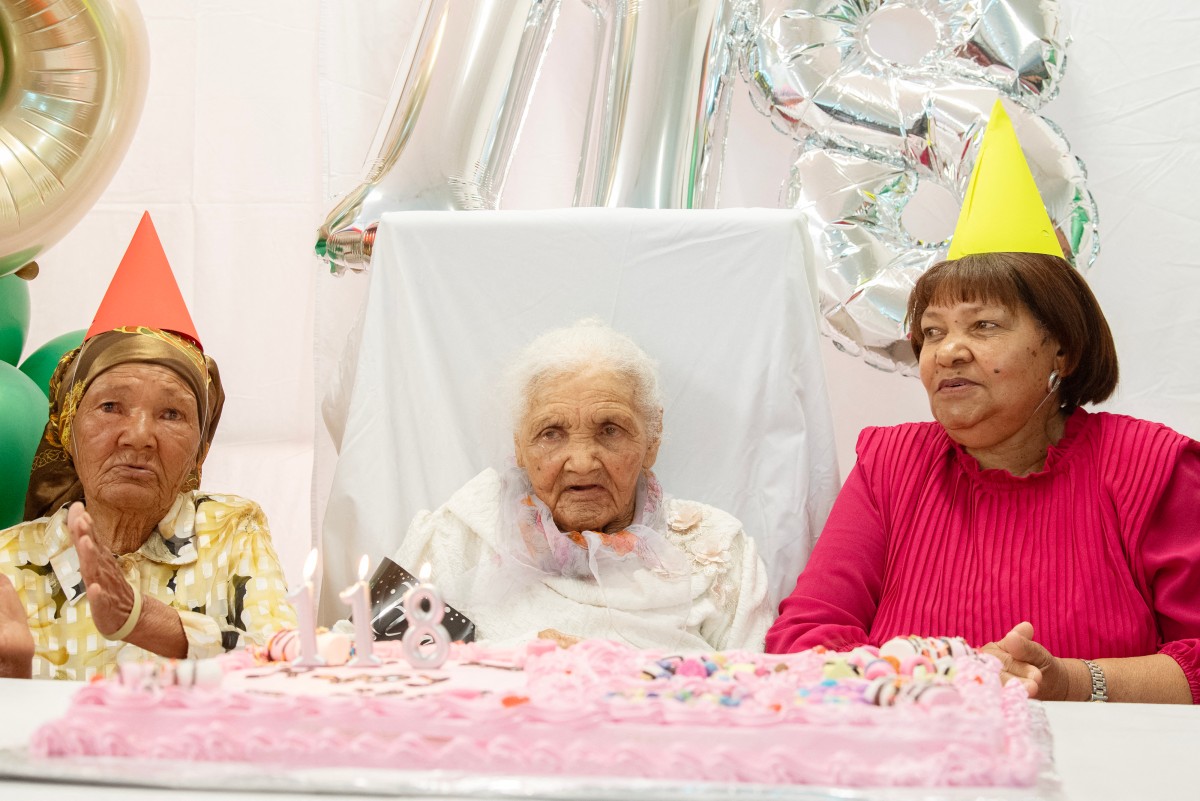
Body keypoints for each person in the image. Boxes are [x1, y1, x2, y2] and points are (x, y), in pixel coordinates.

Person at [766, 103, 1199, 704]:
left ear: (1063, 350)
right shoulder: (891, 465)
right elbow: (803, 638)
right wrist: (945, 680)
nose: (949, 352)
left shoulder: (1150, 466)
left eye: (985, 325)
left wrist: (1071, 681)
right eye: (934, 333)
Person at [0, 214, 295, 680]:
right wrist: (11, 674)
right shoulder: (9, 563)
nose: (138, 435)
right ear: (67, 433)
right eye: (112, 406)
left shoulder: (231, 532)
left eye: (172, 414)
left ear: (200, 448)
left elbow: (285, 667)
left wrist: (143, 619)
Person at [393, 319, 772, 650]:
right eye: (551, 433)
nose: (582, 461)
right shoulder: (459, 531)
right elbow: (371, 659)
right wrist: (522, 657)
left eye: (610, 430)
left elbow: (761, 692)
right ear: (519, 445)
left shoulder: (719, 549)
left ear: (652, 440)